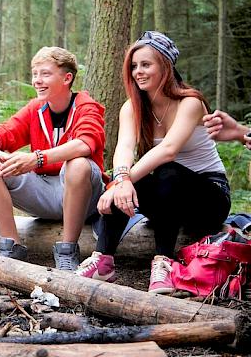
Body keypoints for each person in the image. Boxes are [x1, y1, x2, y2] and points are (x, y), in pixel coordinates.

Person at [76, 31, 231, 294]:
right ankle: (103, 261)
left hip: (209, 197)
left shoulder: (190, 102)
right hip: (168, 193)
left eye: (146, 65)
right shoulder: (132, 107)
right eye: (134, 66)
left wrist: (122, 181)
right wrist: (120, 181)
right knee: (122, 182)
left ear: (165, 66)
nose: (138, 72)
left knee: (165, 172)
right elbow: (124, 147)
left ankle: (164, 263)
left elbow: (169, 150)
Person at [0, 46, 106, 275]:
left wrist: (36, 159)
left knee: (78, 163)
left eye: (45, 74)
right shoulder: (36, 109)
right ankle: (10, 248)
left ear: (67, 78)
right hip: (44, 193)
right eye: (35, 74)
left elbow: (85, 144)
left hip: (84, 196)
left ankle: (67, 252)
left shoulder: (86, 106)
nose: (37, 81)